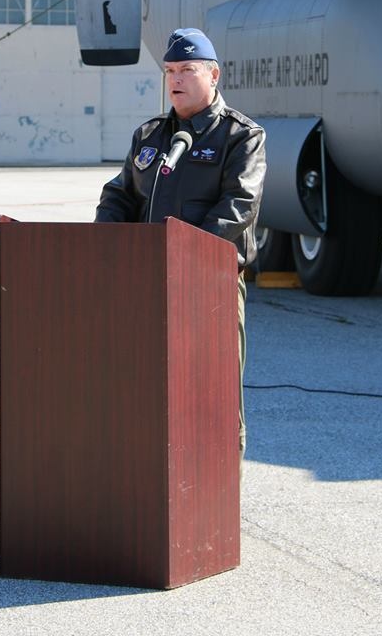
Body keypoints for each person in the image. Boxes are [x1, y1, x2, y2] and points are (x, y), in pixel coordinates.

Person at [95, 27, 266, 460]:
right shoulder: (151, 136)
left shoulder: (241, 137)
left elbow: (238, 205)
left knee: (215, 404)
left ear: (214, 76)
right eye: (170, 70)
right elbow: (121, 193)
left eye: (187, 70)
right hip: (147, 286)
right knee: (147, 399)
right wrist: (106, 245)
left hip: (209, 287)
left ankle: (219, 510)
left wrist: (183, 258)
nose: (176, 79)